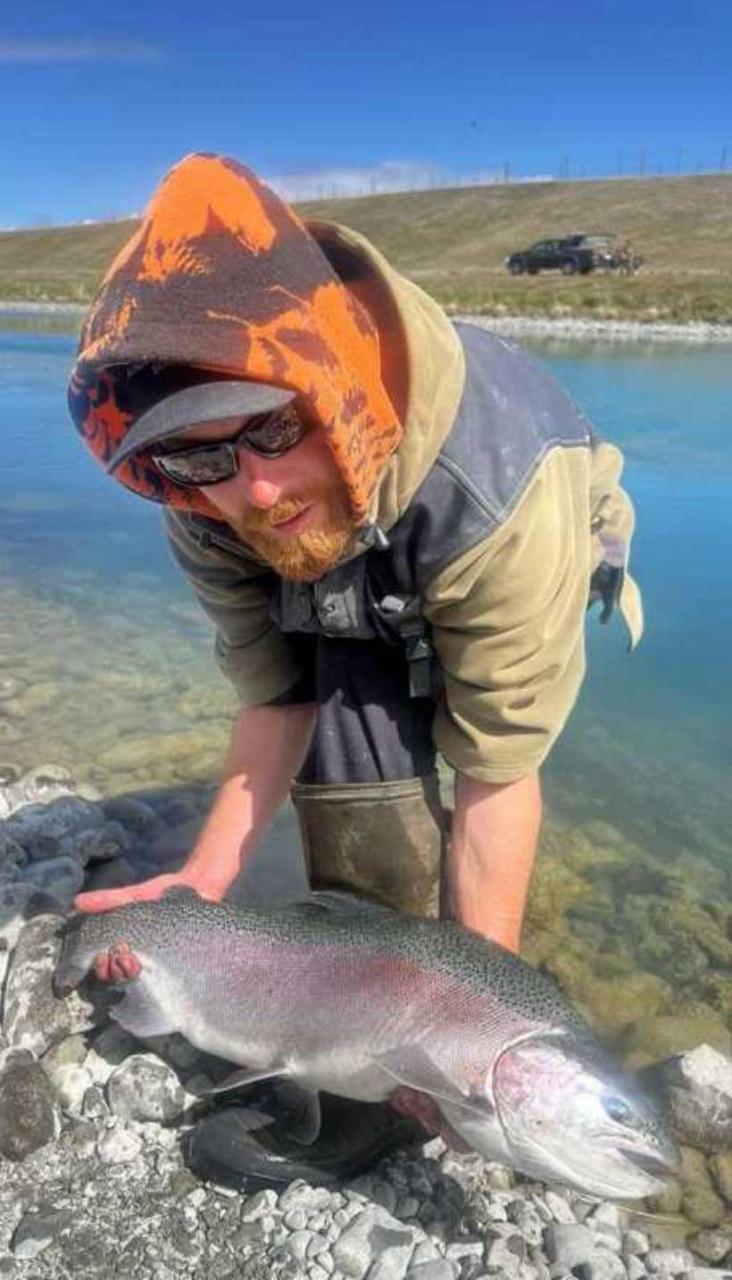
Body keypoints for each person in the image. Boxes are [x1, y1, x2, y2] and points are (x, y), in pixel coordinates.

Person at [67, 152, 643, 1180]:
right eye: (203, 457)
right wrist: (199, 884)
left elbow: (497, 769)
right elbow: (274, 693)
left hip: (514, 523)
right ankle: (344, 1025)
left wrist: (467, 1028)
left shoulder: (502, 497)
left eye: (272, 427)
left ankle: (396, 1086)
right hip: (361, 532)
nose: (252, 490)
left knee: (436, 738)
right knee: (344, 721)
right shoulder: (205, 497)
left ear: (324, 381)